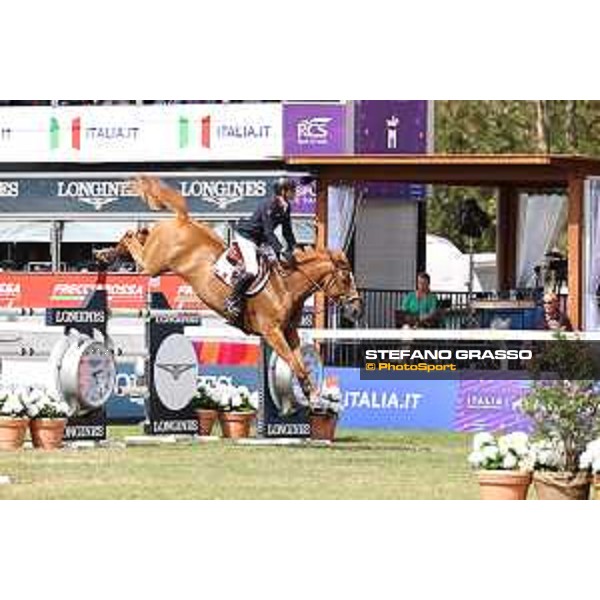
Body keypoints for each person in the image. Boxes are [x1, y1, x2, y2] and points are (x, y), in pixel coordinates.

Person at [225, 177, 299, 318]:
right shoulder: (269, 205)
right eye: (292, 190)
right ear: (283, 191)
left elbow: (287, 231)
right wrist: (280, 250)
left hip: (260, 239)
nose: (295, 193)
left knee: (278, 266)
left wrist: (294, 247)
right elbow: (268, 231)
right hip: (247, 237)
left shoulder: (286, 206)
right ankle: (232, 299)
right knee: (252, 270)